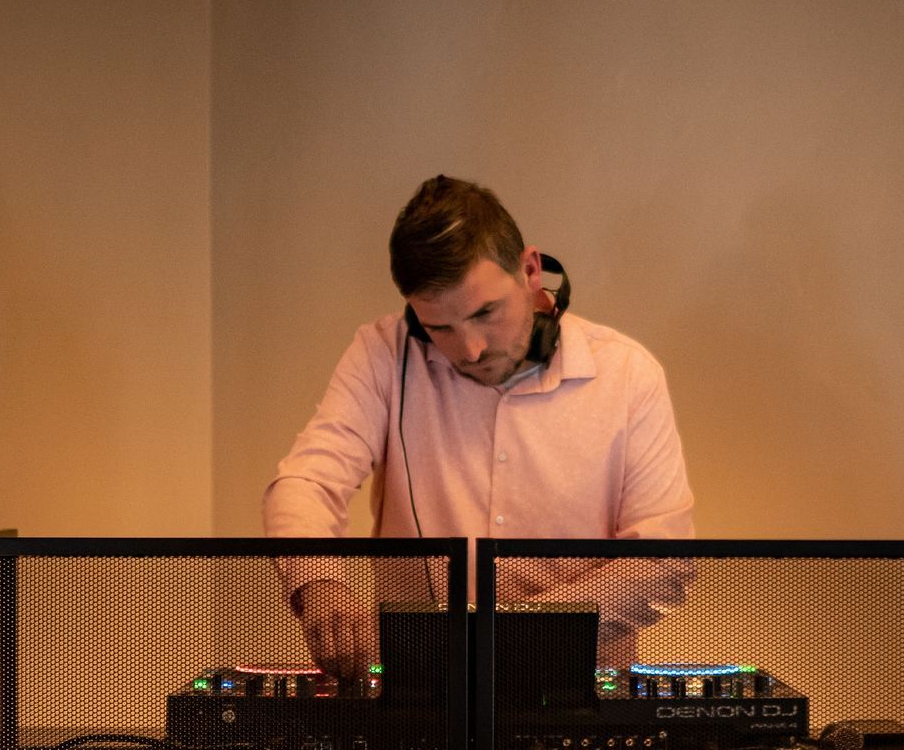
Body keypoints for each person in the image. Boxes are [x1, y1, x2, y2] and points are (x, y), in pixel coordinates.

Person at [263, 175, 694, 679]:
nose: (469, 350)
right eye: (438, 328)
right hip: (423, 689)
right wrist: (319, 582)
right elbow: (306, 481)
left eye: (486, 313)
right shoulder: (383, 354)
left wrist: (516, 633)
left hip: (578, 692)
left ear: (530, 271)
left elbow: (663, 559)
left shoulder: (628, 375)